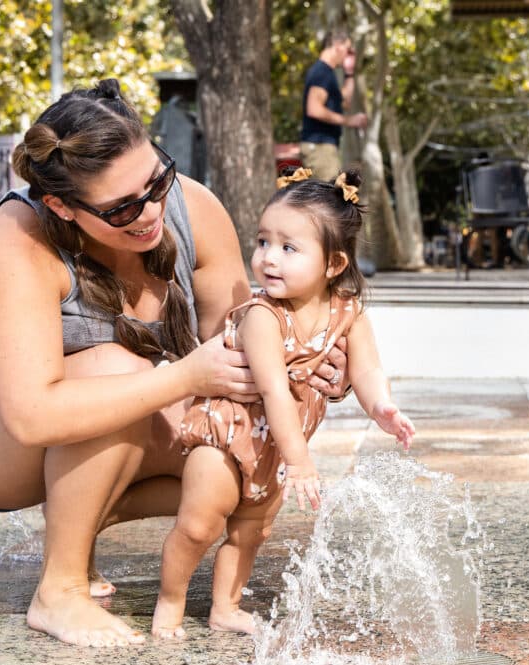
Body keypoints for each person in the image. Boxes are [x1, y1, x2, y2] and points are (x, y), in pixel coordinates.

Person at [0, 79, 349, 648]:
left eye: (156, 181)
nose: (151, 212)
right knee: (120, 371)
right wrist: (182, 377)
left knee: (247, 453)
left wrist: (311, 363)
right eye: (121, 209)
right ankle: (59, 590)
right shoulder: (17, 237)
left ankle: (89, 514)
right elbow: (32, 416)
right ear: (62, 206)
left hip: (102, 402)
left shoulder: (192, 207)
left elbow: (242, 346)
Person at [151, 168, 416, 639]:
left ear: (333, 264)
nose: (268, 259)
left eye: (288, 248)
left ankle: (225, 606)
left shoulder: (347, 311)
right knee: (198, 525)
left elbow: (366, 370)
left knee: (251, 532)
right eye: (262, 242)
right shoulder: (261, 315)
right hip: (226, 435)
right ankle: (169, 603)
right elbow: (273, 389)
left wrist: (382, 409)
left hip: (276, 450)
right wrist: (302, 463)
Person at [300, 29, 368, 182]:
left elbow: (344, 101)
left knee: (330, 200)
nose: (348, 54)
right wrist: (349, 120)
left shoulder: (327, 73)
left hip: (324, 147)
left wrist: (349, 72)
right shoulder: (321, 72)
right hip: (319, 147)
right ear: (338, 45)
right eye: (347, 49)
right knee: (331, 201)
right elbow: (314, 109)